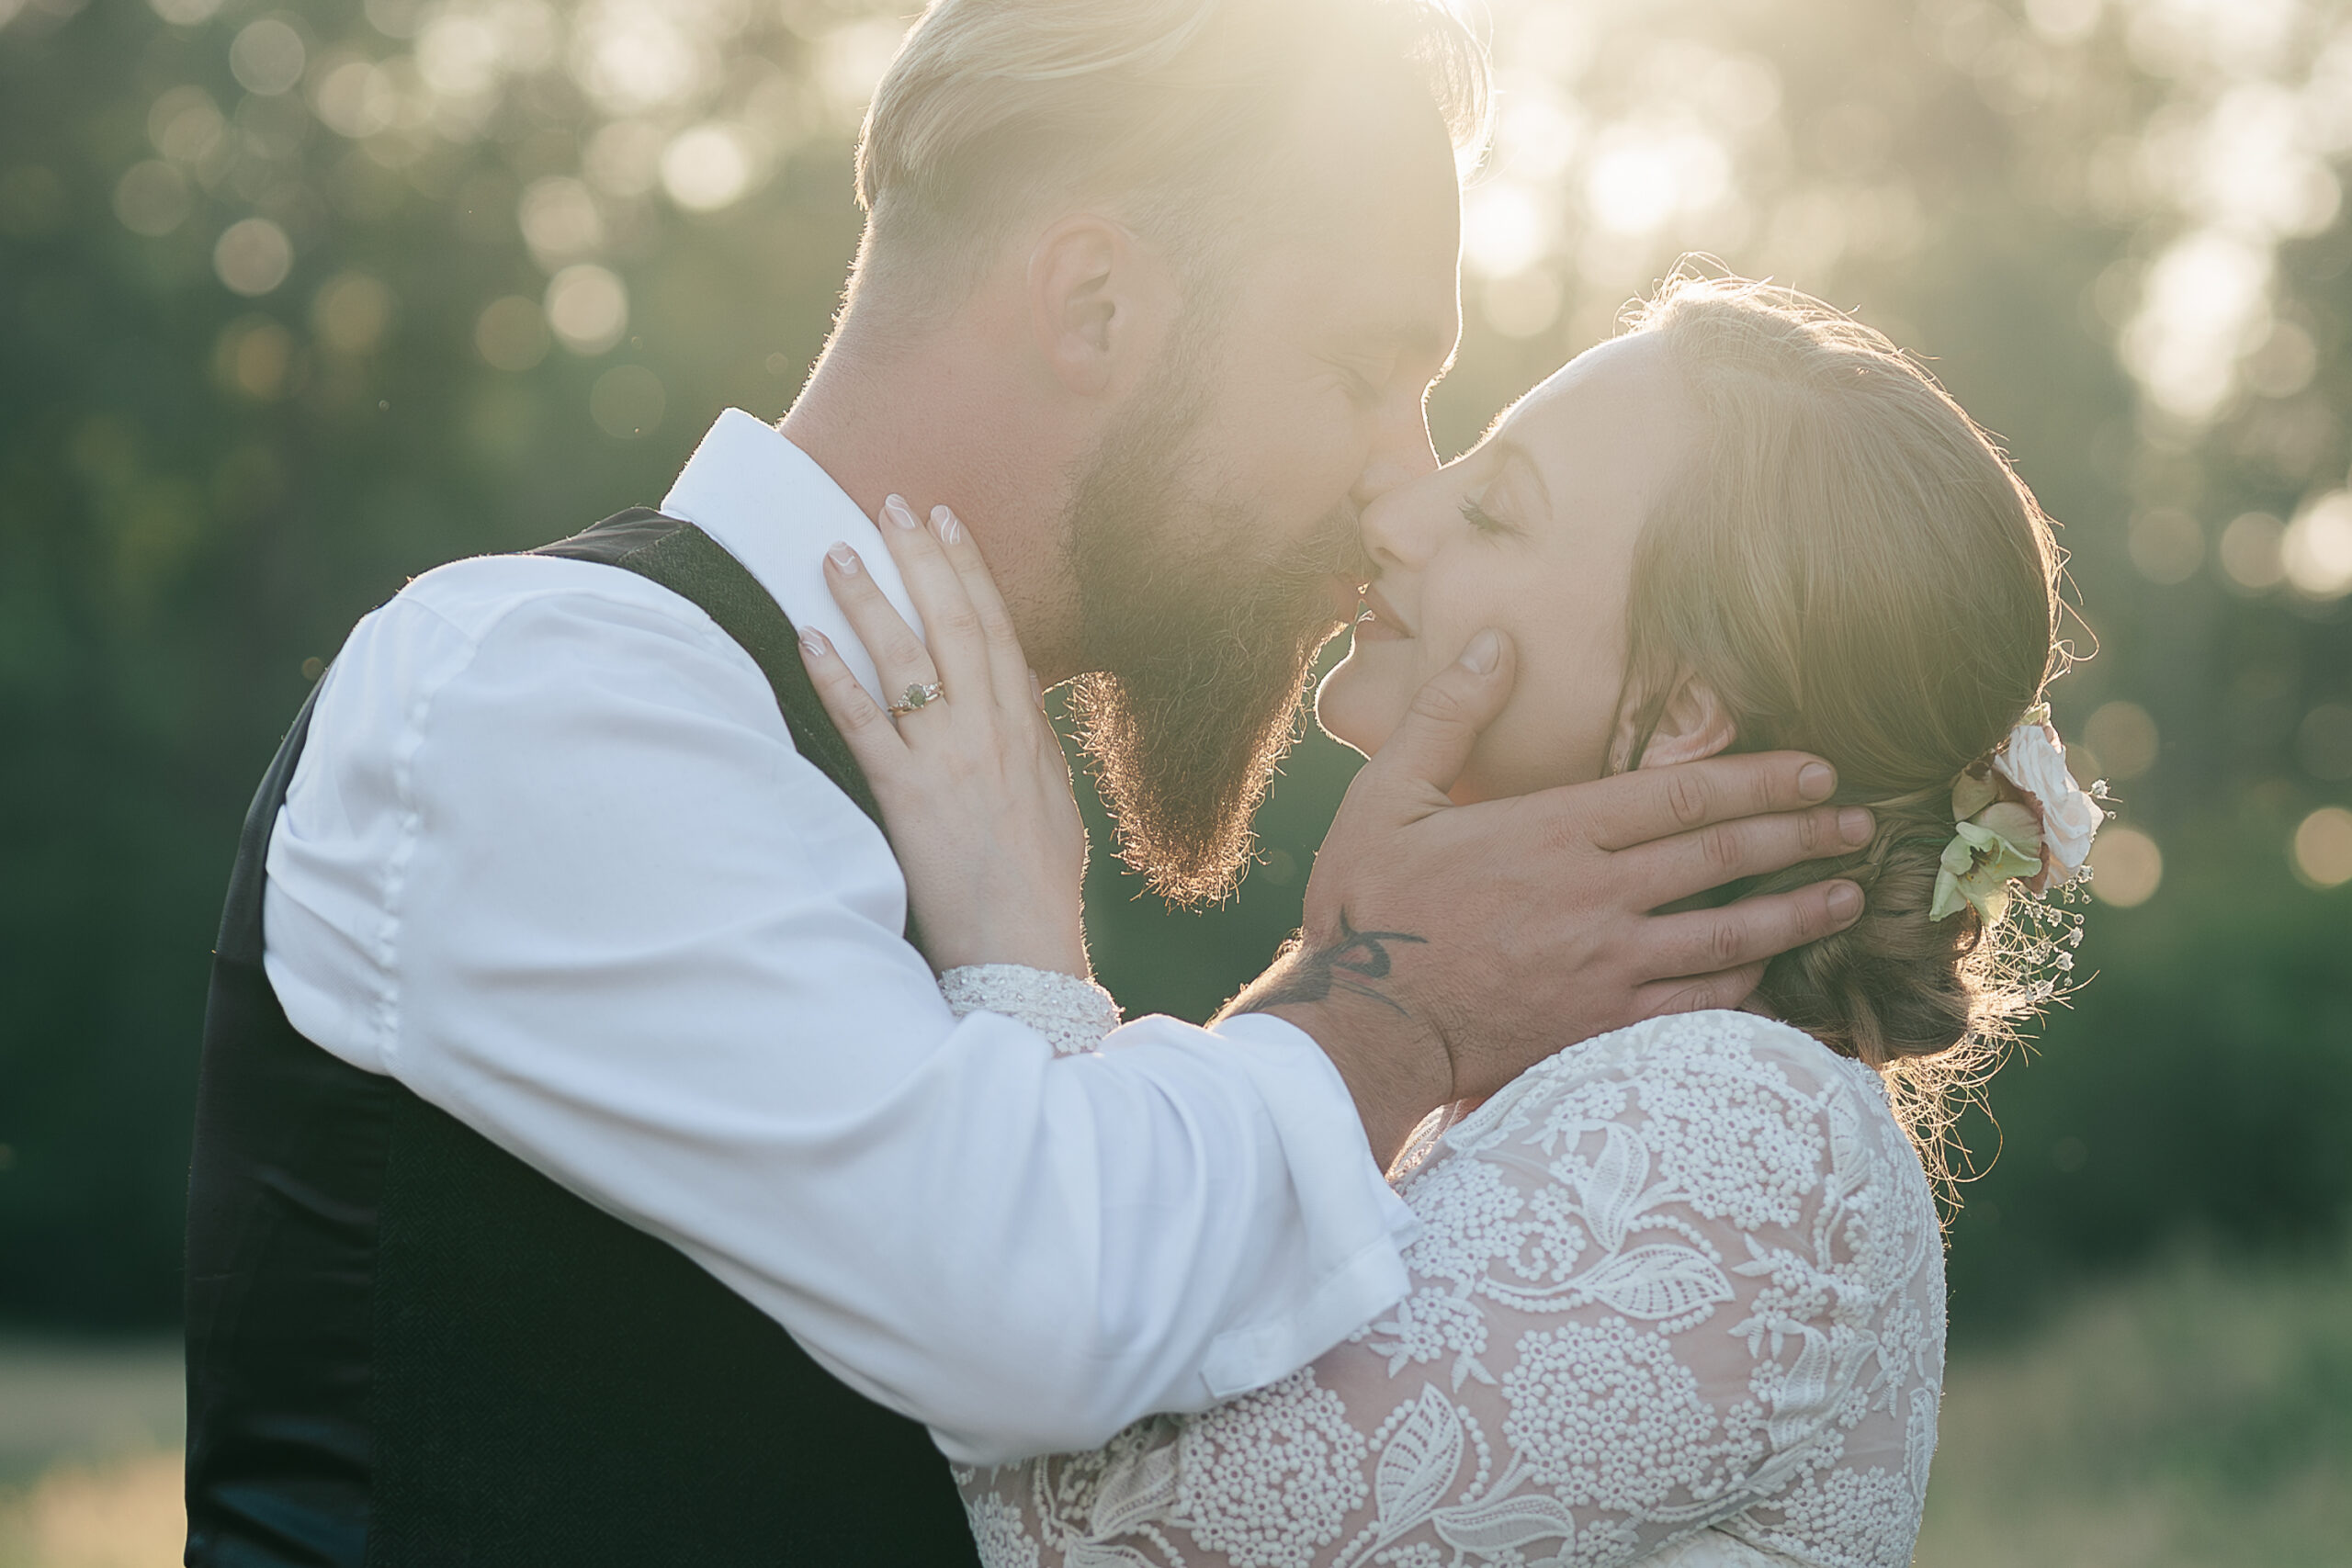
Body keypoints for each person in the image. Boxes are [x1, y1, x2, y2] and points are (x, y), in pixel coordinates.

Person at [183, 3, 1870, 1563]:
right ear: (1096, 308)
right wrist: (1386, 1006)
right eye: (1361, 377)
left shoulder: (953, 811)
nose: (1396, 495)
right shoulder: (546, 691)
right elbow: (1036, 1305)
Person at [799, 274, 2101, 1566]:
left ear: (1687, 710)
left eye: (1491, 510)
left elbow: (1075, 1539)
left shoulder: (1746, 1127)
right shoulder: (1534, 1081)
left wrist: (1014, 938)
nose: (1400, 514)